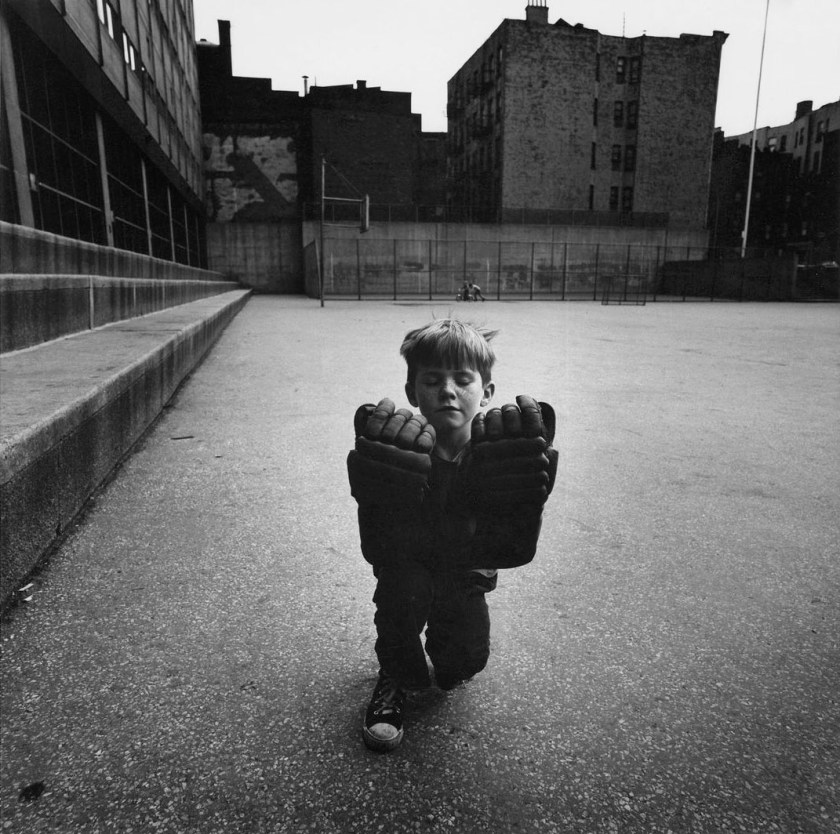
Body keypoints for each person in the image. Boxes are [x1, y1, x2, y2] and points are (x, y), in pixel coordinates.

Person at [347, 319, 558, 752]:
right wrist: (377, 496)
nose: (448, 391)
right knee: (400, 623)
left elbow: (511, 546)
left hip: (465, 571)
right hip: (406, 567)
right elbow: (378, 543)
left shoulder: (506, 450)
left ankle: (443, 657)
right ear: (412, 392)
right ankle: (393, 679)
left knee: (460, 666)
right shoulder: (394, 446)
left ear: (488, 391)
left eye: (463, 380)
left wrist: (525, 502)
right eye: (432, 380)